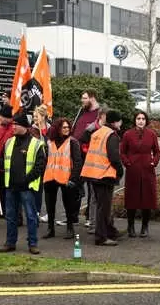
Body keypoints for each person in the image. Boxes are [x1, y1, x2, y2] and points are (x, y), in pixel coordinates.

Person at [0, 111, 46, 255]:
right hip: (11, 186)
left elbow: (39, 167)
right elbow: (4, 162)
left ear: (24, 126)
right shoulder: (9, 142)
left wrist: (26, 180)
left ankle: (33, 243)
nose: (13, 127)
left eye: (16, 125)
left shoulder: (37, 144)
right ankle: (10, 242)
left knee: (31, 216)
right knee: (11, 216)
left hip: (27, 187)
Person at [81, 110, 124, 246]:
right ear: (115, 122)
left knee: (101, 205)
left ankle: (110, 231)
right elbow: (113, 156)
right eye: (119, 120)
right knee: (104, 208)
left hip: (93, 173)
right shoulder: (112, 135)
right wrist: (120, 170)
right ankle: (101, 237)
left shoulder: (97, 133)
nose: (121, 123)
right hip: (105, 175)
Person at [120, 110, 160, 238]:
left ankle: (145, 227)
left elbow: (157, 152)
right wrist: (127, 163)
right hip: (133, 171)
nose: (141, 121)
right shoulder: (128, 134)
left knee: (147, 199)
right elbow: (122, 152)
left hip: (148, 171)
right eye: (138, 118)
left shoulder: (152, 134)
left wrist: (154, 162)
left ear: (146, 120)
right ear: (135, 120)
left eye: (143, 118)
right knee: (132, 199)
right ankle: (130, 226)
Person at [42, 118, 83, 240]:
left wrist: (73, 179)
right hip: (50, 177)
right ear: (57, 129)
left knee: (68, 205)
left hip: (66, 179)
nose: (66, 130)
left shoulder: (72, 142)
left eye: (68, 127)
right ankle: (50, 229)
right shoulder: (50, 142)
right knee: (50, 205)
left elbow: (77, 162)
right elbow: (45, 160)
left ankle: (70, 228)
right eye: (64, 127)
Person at [69, 89, 101, 227]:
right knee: (75, 184)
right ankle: (72, 216)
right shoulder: (81, 112)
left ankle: (90, 216)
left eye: (85, 98)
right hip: (77, 154)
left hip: (90, 154)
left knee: (91, 187)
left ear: (92, 98)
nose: (82, 101)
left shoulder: (99, 114)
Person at [79, 105, 109, 234]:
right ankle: (92, 223)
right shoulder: (91, 129)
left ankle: (100, 223)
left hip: (102, 167)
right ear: (102, 116)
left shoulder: (106, 129)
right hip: (92, 167)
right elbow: (83, 145)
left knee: (100, 198)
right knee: (93, 197)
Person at [0, 104, 15, 219]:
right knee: (2, 186)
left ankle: (9, 210)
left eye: (2, 117)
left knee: (8, 188)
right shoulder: (2, 128)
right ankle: (3, 209)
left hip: (8, 162)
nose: (0, 119)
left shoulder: (12, 129)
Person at [30, 104, 50, 221]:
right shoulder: (32, 130)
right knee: (37, 188)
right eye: (33, 116)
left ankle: (48, 212)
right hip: (37, 163)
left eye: (36, 116)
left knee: (48, 189)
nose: (35, 118)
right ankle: (36, 211)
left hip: (49, 162)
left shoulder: (50, 129)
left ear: (43, 116)